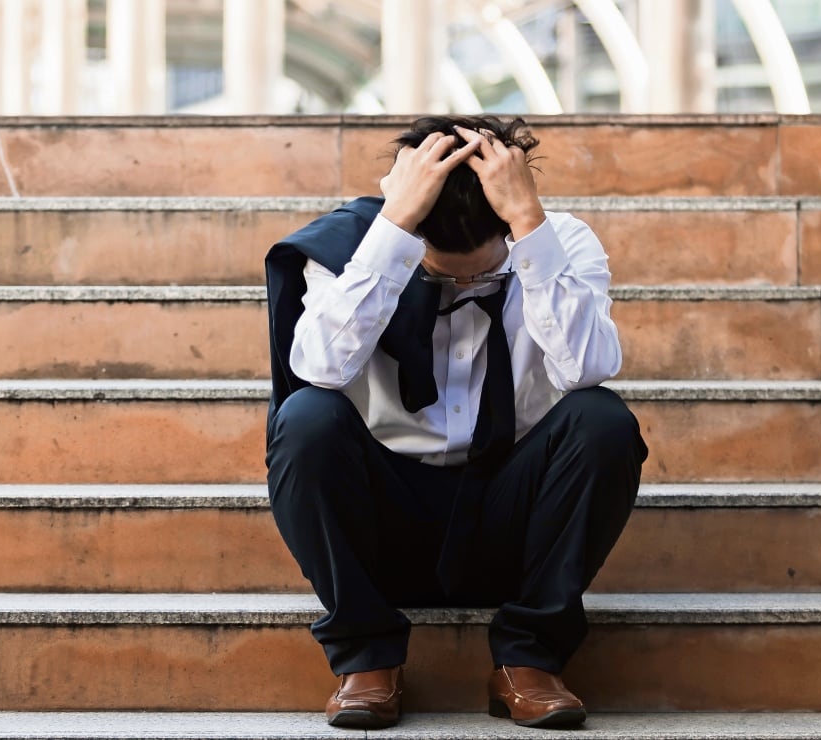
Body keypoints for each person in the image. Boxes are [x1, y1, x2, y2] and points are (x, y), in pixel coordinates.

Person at [263, 115, 648, 730]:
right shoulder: (352, 247)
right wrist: (392, 229)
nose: (468, 285)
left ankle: (530, 660)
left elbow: (588, 367)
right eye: (445, 273)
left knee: (601, 420)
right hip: (385, 513)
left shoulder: (559, 243)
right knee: (307, 418)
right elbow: (319, 366)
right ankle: (366, 659)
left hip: (510, 512)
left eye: (483, 272)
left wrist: (527, 224)